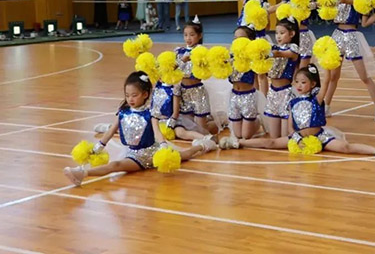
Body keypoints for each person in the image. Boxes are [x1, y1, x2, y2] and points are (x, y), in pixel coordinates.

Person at [63, 71, 216, 187]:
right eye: (127, 95)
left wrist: (163, 146)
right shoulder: (123, 111)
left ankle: (202, 146)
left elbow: (157, 132)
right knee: (182, 155)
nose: (130, 99)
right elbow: (111, 131)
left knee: (184, 155)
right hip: (132, 152)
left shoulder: (150, 113)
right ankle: (81, 171)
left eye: (134, 95)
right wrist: (98, 146)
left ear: (145, 94)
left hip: (148, 154)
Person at [219, 65, 375, 159]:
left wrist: (327, 65)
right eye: (297, 82)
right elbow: (290, 127)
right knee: (271, 142)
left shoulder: (316, 99)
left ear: (312, 85)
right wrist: (296, 139)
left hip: (319, 137)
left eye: (303, 82)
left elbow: (325, 84)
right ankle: (239, 143)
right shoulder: (292, 102)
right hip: (298, 138)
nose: (299, 85)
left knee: (345, 147)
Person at [323, 0, 375, 122]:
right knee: (332, 76)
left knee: (364, 76)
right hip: (337, 35)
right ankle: (326, 107)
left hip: (352, 36)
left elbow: (363, 20)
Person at [220, 0, 275, 95]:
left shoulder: (264, 5)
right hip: (244, 41)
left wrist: (262, 17)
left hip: (258, 40)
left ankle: (264, 99)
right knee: (251, 72)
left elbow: (268, 26)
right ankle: (255, 97)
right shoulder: (246, 0)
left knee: (261, 73)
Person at [175, 18, 219, 136]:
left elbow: (206, 71)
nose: (188, 38)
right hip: (183, 93)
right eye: (185, 35)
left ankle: (221, 122)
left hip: (198, 93)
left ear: (200, 36)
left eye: (192, 35)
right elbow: (173, 70)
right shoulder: (179, 52)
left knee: (201, 130)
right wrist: (182, 60)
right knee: (187, 127)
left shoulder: (202, 52)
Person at [263, 18, 300, 138]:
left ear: (292, 34)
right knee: (274, 137)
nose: (278, 36)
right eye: (276, 33)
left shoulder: (293, 48)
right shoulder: (274, 47)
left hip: (286, 93)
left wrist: (267, 53)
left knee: (285, 138)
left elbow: (282, 54)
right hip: (272, 93)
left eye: (282, 33)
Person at [229, 26, 261, 139]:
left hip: (248, 97)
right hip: (234, 96)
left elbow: (257, 79)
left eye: (241, 38)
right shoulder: (230, 57)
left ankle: (258, 121)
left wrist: (258, 101)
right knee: (237, 135)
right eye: (235, 38)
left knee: (245, 136)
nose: (237, 41)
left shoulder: (253, 58)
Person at [283, 0, 317, 69]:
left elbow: (314, 5)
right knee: (293, 68)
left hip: (304, 35)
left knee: (303, 68)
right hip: (291, 36)